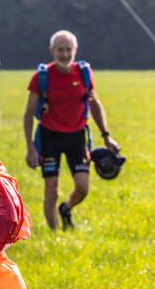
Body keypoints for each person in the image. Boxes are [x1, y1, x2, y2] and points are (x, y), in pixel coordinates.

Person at [22, 30, 120, 230]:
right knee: (51, 190)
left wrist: (106, 136)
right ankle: (55, 235)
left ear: (75, 50)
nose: (65, 55)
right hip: (49, 137)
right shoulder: (41, 77)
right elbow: (28, 113)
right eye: (60, 50)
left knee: (83, 187)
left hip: (77, 138)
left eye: (68, 50)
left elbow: (94, 104)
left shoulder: (83, 73)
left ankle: (66, 208)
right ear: (52, 51)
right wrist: (30, 147)